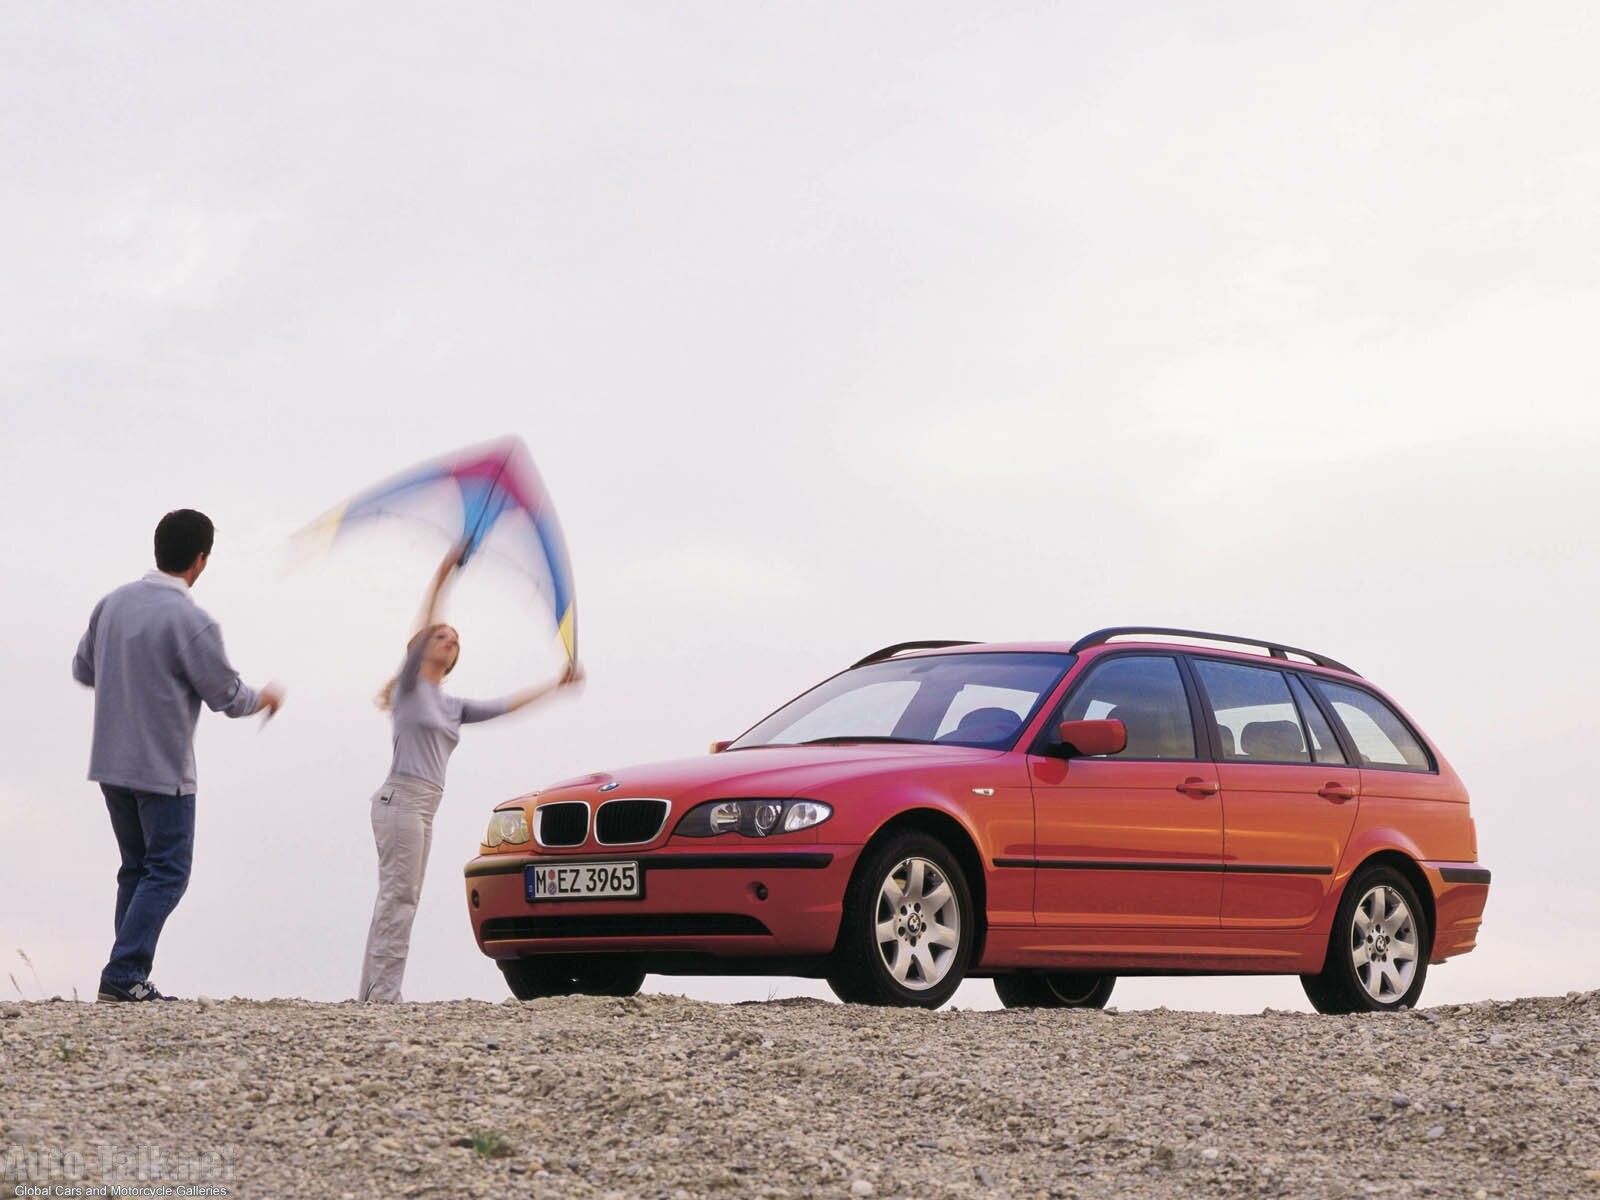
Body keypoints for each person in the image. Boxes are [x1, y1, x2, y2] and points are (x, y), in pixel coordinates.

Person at [72, 509, 285, 1002]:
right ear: (200, 559)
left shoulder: (111, 604)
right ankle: (124, 972)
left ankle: (125, 978)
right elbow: (228, 697)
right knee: (168, 872)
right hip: (162, 769)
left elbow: (83, 669)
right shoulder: (193, 621)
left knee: (135, 868)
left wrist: (128, 674)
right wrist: (266, 699)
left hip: (110, 761)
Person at [358, 543, 582, 1002]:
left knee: (402, 896)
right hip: (400, 799)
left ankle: (374, 995)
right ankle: (383, 998)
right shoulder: (409, 688)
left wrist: (556, 685)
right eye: (441, 636)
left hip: (425, 805)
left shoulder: (451, 705)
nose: (449, 640)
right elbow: (426, 619)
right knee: (399, 897)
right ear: (421, 648)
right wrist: (446, 570)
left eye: (455, 639)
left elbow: (505, 706)